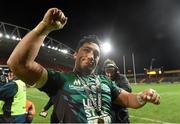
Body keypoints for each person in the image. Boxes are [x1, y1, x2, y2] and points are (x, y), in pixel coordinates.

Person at [7, 8, 160, 123]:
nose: (91, 56)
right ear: (75, 54)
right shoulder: (60, 79)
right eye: (87, 50)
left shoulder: (106, 81)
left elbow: (128, 100)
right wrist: (44, 27)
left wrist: (143, 96)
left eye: (96, 54)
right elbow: (18, 64)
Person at [103, 59, 132, 123]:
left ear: (115, 70)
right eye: (107, 71)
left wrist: (110, 92)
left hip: (121, 115)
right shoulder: (102, 79)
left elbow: (128, 90)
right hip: (108, 115)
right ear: (104, 71)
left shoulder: (121, 78)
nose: (110, 74)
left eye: (112, 71)